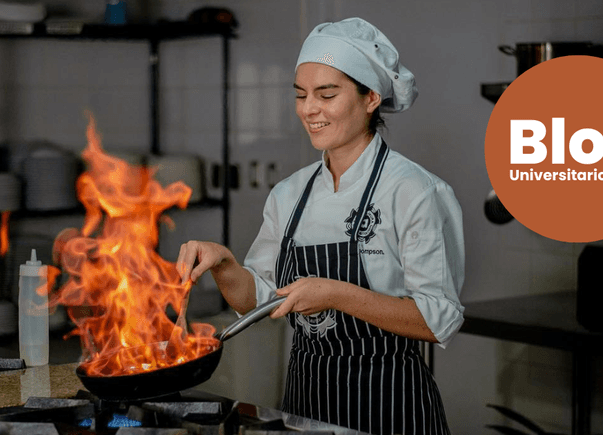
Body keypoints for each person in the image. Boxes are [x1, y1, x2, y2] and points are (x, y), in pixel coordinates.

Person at [177, 17, 464, 435]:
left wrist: (336, 294)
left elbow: (439, 320)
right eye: (301, 95)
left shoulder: (415, 191)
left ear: (370, 97)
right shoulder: (289, 194)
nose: (309, 109)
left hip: (390, 405)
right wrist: (224, 264)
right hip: (306, 403)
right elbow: (256, 300)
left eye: (326, 94)